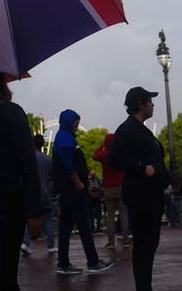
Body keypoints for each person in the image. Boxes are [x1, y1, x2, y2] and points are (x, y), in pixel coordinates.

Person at [109, 87, 170, 291]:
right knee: (145, 245)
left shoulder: (139, 128)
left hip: (151, 195)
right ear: (140, 104)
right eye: (149, 101)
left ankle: (145, 286)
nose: (153, 104)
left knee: (149, 244)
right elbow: (115, 158)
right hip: (142, 195)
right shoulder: (127, 130)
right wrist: (142, 167)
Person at [0, 74, 44, 290]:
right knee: (6, 271)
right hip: (10, 199)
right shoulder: (11, 112)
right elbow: (27, 164)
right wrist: (33, 212)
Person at [52, 109, 113, 276]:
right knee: (84, 226)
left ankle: (63, 263)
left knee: (65, 227)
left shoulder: (63, 136)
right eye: (76, 121)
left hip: (67, 190)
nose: (78, 124)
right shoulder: (66, 138)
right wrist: (77, 181)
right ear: (69, 122)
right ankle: (92, 262)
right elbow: (65, 161)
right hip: (73, 190)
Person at [93, 133, 130, 248]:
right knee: (124, 215)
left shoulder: (105, 155)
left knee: (110, 216)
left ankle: (111, 242)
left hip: (109, 187)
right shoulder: (119, 154)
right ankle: (126, 241)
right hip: (121, 186)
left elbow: (95, 156)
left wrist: (102, 145)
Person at [30, 134, 56, 255]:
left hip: (31, 191)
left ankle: (25, 242)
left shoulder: (29, 158)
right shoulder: (47, 159)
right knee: (49, 219)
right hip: (45, 191)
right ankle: (50, 245)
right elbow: (53, 175)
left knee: (28, 217)